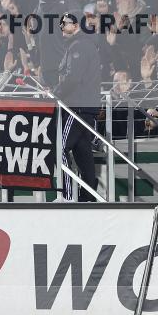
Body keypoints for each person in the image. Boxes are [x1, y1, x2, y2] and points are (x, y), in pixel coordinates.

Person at [53, 12, 101, 202]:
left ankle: (67, 196)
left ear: (77, 26)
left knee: (60, 148)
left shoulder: (78, 46)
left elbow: (72, 78)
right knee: (83, 155)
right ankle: (88, 198)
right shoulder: (82, 45)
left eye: (65, 23)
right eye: (60, 23)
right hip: (85, 109)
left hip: (76, 108)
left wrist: (54, 94)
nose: (62, 26)